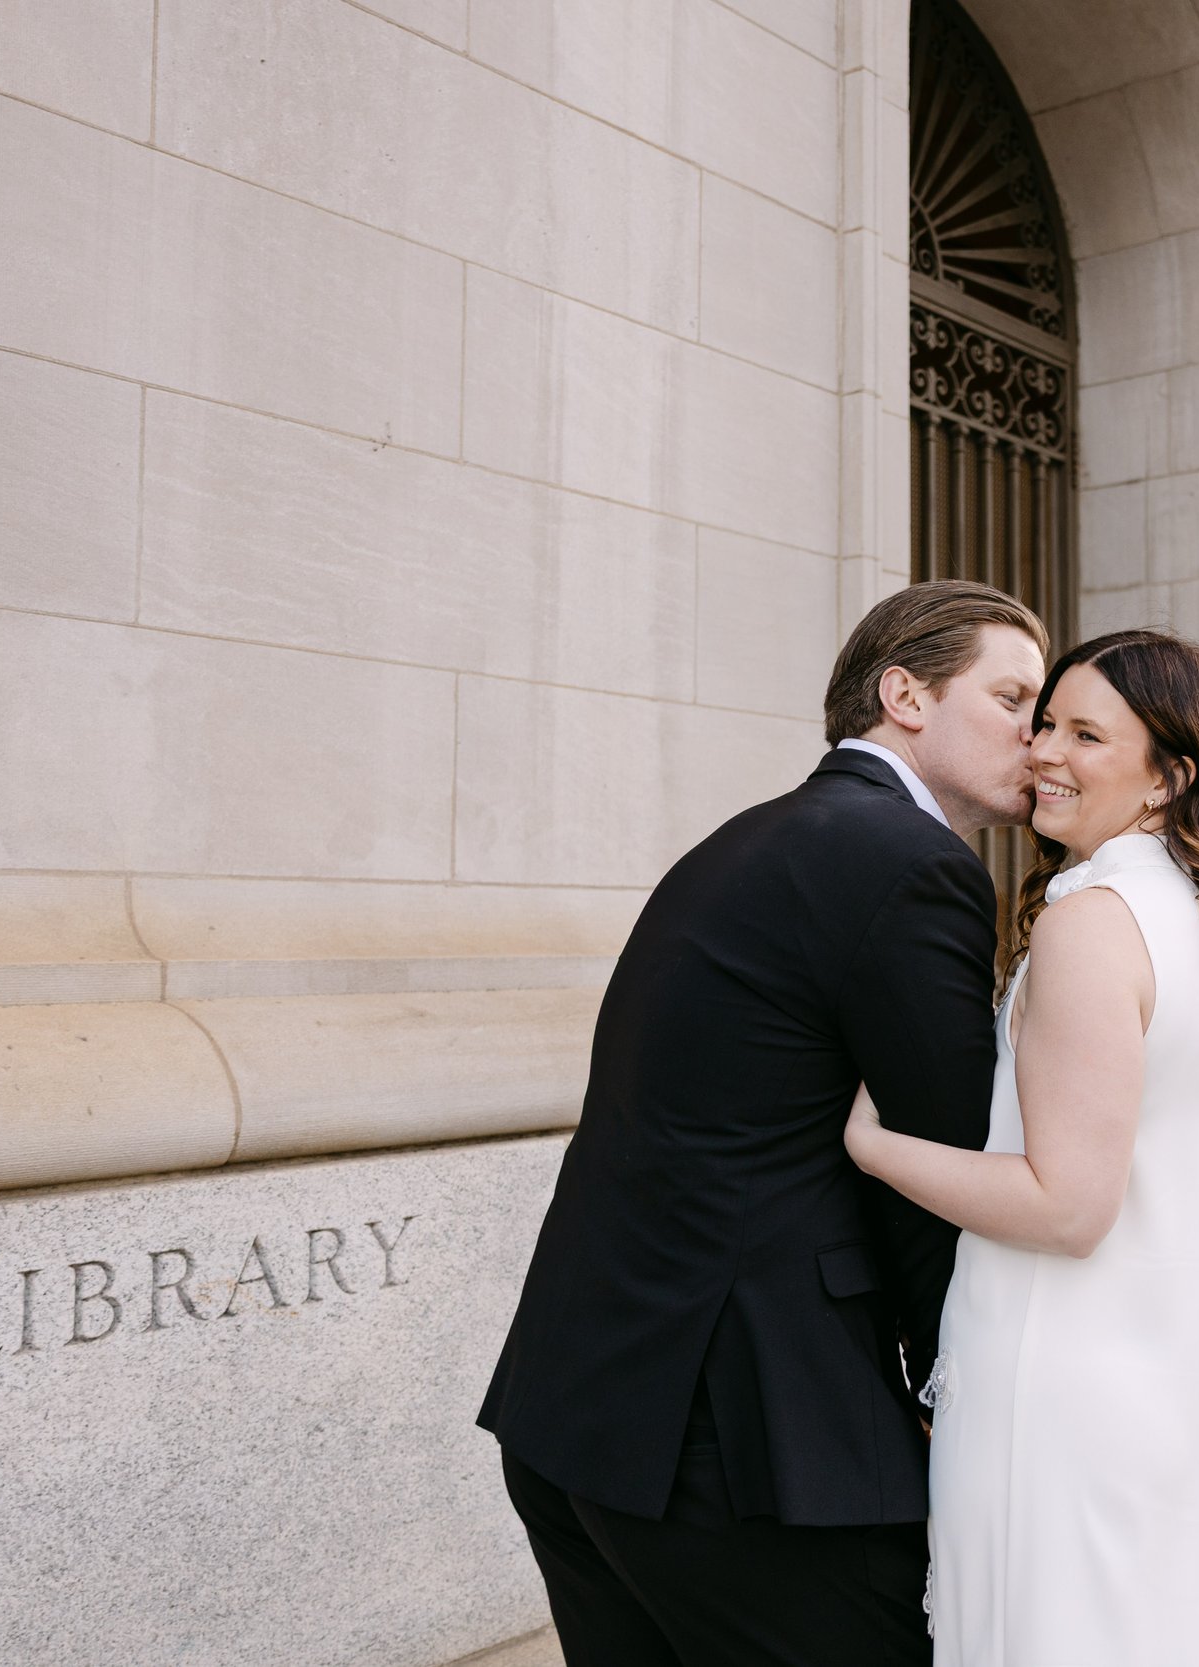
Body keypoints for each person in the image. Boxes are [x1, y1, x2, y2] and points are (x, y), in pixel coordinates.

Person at [477, 582, 1048, 1665]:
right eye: (1013, 695)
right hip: (737, 1446)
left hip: (576, 1407)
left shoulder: (753, 835)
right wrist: (957, 1395)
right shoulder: (912, 864)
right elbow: (943, 1169)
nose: (1037, 731)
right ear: (904, 695)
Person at [843, 629, 1199, 1667]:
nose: (1043, 748)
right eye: (1045, 719)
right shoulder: (1190, 914)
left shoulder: (1091, 921)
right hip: (1170, 1389)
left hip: (1068, 1401)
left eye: (1086, 733)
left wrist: (875, 1146)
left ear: (1167, 776)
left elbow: (1065, 1205)